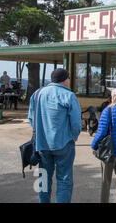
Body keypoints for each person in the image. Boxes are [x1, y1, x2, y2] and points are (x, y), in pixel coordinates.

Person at [28, 68, 82, 203]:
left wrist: (40, 133)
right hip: (63, 143)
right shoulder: (68, 95)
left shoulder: (37, 94)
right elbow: (76, 123)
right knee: (64, 179)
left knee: (44, 179)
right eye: (69, 78)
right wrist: (73, 137)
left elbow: (31, 118)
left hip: (42, 144)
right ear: (65, 80)